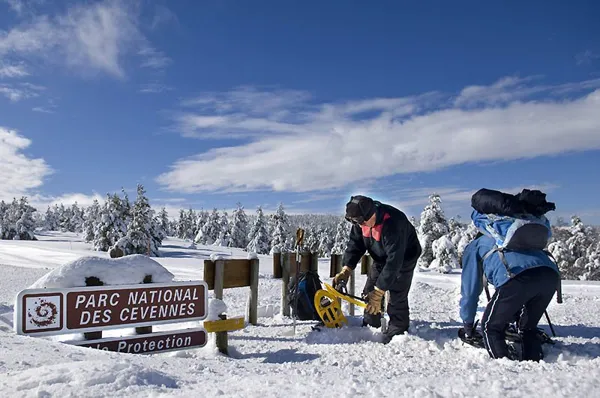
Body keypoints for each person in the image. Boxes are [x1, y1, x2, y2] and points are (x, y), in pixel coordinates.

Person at [459, 201, 560, 361]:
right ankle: (535, 364)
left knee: (490, 327)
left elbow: (470, 291)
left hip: (517, 278)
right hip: (550, 275)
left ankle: (507, 368)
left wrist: (468, 326)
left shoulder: (475, 246)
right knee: (527, 328)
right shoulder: (514, 236)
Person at [333, 195, 422, 343]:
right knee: (370, 292)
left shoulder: (394, 223)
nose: (358, 225)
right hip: (381, 258)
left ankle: (398, 330)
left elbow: (394, 262)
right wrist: (346, 269)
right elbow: (355, 245)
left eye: (360, 221)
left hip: (404, 259)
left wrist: (380, 291)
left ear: (371, 214)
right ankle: (370, 323)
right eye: (355, 222)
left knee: (396, 294)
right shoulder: (360, 223)